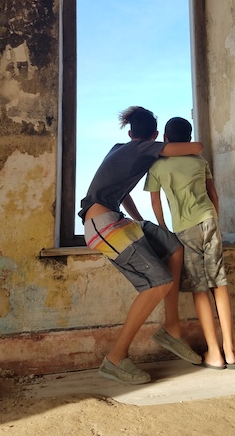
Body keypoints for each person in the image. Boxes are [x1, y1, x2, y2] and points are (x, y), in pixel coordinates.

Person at [78, 106, 203, 385]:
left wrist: (140, 220)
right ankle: (115, 358)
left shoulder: (118, 148)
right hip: (102, 225)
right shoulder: (144, 149)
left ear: (130, 131)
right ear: (155, 136)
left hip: (116, 218)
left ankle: (171, 329)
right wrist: (170, 144)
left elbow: (119, 192)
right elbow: (196, 146)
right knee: (158, 282)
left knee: (173, 246)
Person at [144, 117, 235, 370]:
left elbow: (156, 203)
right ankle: (230, 351)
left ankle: (214, 354)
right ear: (188, 138)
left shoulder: (158, 166)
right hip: (209, 221)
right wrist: (214, 219)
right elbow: (214, 195)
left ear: (166, 139)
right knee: (219, 284)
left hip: (185, 228)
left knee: (200, 288)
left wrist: (164, 227)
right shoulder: (200, 161)